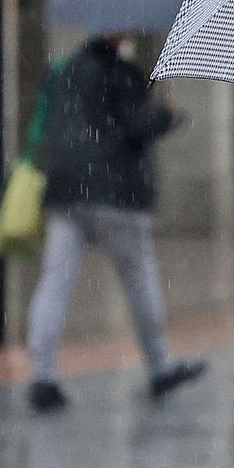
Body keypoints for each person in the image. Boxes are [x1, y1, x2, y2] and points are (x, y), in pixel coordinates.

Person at [25, 35, 207, 414]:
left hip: (65, 190)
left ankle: (42, 376)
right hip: (116, 193)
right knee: (139, 279)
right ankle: (160, 367)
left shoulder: (63, 72)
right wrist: (166, 114)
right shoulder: (122, 73)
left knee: (54, 282)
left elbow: (49, 126)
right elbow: (135, 127)